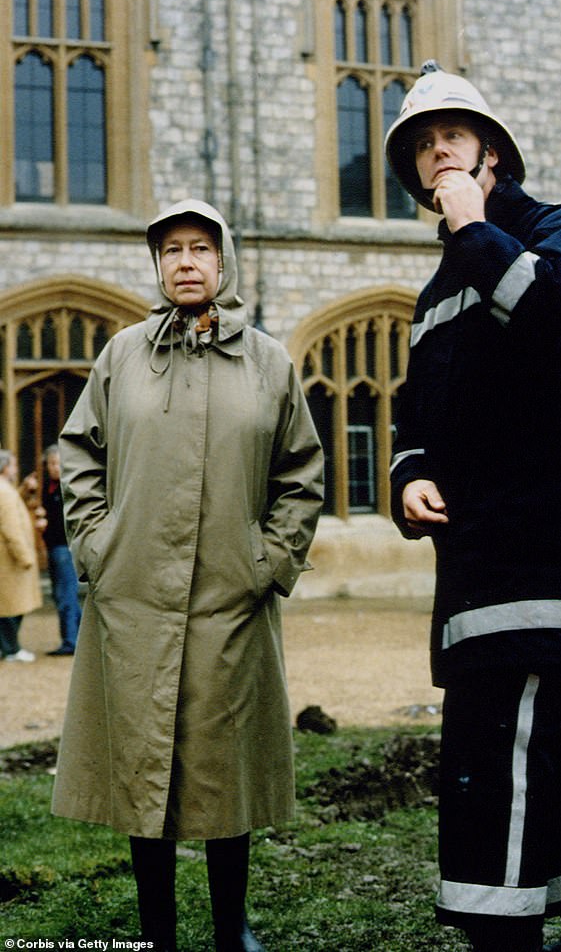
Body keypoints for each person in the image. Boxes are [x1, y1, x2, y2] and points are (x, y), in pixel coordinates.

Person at [384, 61, 561, 952]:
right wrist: (408, 474)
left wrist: (477, 229)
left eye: (450, 135)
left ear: (490, 150)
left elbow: (548, 314)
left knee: (495, 736)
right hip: (476, 561)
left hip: (545, 549)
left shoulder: (552, 229)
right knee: (544, 732)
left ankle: (500, 932)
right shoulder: (434, 289)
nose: (435, 151)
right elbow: (417, 412)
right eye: (420, 144)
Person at [51, 199, 324, 952]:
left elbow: (301, 472)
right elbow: (80, 454)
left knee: (221, 771)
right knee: (145, 774)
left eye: (201, 248)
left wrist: (268, 559)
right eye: (172, 250)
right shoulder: (123, 356)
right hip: (133, 599)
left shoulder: (269, 361)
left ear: (223, 259)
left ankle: (230, 924)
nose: (187, 262)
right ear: (159, 265)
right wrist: (97, 545)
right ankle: (157, 931)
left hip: (229, 602)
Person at [0, 449, 42, 662]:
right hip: (10, 561)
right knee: (10, 608)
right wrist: (25, 556)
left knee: (8, 605)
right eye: (14, 465)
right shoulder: (4, 492)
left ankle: (8, 647)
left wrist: (24, 489)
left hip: (7, 561)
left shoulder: (6, 490)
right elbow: (11, 529)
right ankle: (11, 649)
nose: (16, 469)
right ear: (6, 468)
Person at [41, 444, 81, 655]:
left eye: (58, 463)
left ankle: (71, 641)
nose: (55, 468)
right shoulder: (50, 486)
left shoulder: (68, 487)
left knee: (66, 595)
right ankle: (76, 638)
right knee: (63, 595)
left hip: (64, 548)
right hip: (54, 547)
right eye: (51, 464)